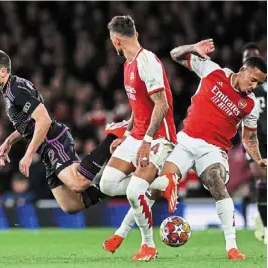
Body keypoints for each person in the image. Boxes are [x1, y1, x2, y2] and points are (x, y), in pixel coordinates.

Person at [150, 38, 266, 260]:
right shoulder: (213, 71)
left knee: (216, 181)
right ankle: (144, 242)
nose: (253, 87)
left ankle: (232, 247)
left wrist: (258, 159)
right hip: (186, 140)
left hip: (213, 149)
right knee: (157, 187)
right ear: (242, 70)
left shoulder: (250, 105)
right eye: (252, 80)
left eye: (258, 84)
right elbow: (175, 54)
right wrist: (193, 48)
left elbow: (249, 138)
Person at [0, 49, 114, 215]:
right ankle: (113, 185)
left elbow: (43, 120)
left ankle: (111, 139)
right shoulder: (12, 88)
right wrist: (9, 141)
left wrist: (29, 154)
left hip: (53, 141)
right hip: (45, 149)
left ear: (2, 72)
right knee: (71, 206)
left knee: (78, 183)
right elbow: (29, 123)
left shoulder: (15, 90)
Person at [99, 15, 178, 261]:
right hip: (138, 135)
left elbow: (162, 105)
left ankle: (149, 246)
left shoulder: (148, 62)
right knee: (107, 184)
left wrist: (146, 141)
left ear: (116, 41)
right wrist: (127, 134)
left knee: (134, 191)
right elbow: (137, 105)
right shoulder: (128, 64)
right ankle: (163, 184)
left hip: (159, 137)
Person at [241, 43, 267, 244]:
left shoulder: (265, 84)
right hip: (252, 138)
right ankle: (265, 225)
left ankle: (261, 215)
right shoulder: (240, 85)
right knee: (262, 178)